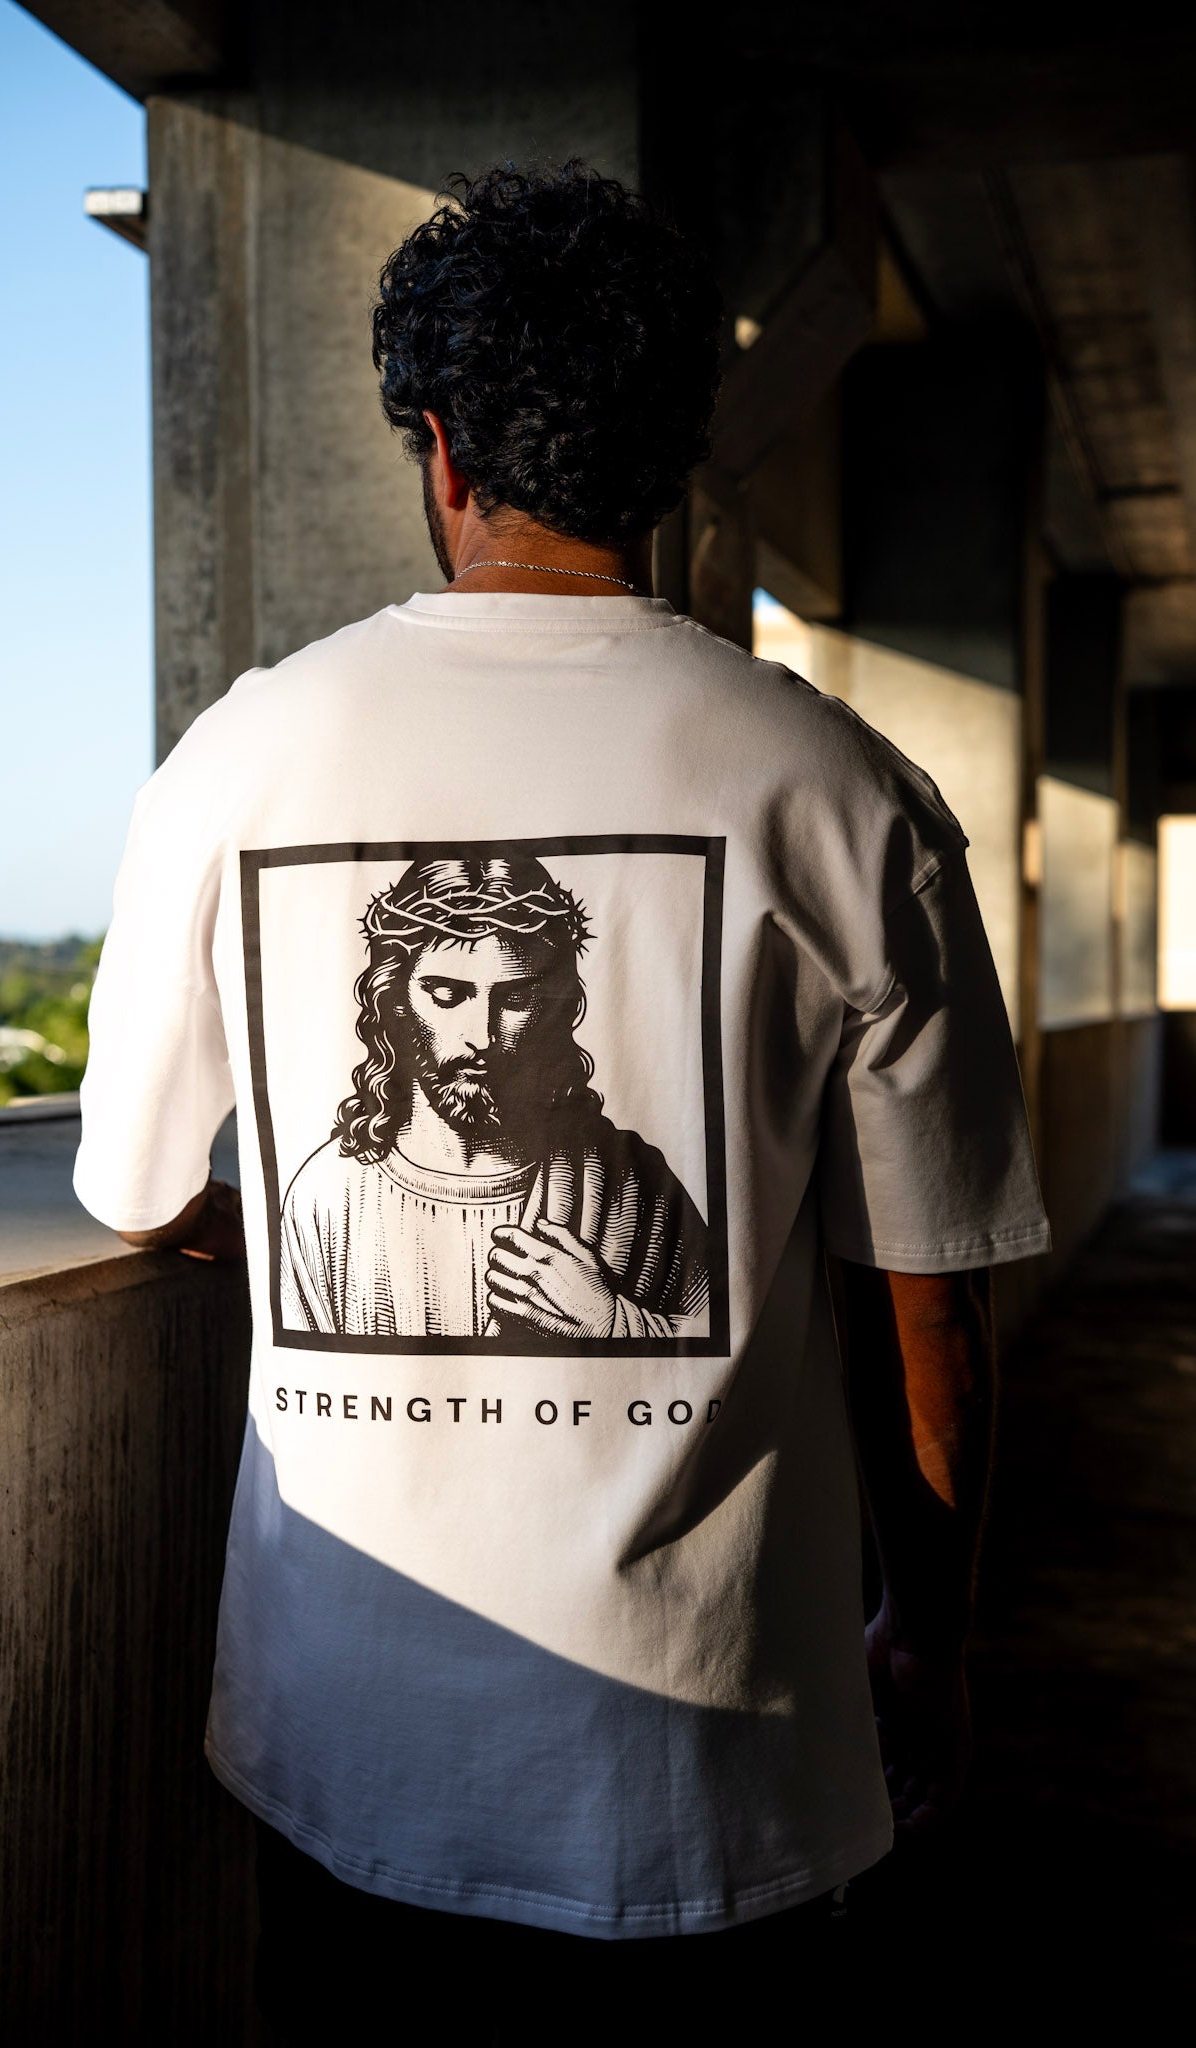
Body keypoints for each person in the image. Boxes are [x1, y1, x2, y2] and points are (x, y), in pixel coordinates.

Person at [74, 162, 1050, 2029]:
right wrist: (930, 1630)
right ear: (678, 455)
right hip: (723, 1773)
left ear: (440, 449)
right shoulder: (847, 791)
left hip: (351, 1759)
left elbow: (133, 1187)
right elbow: (930, 1295)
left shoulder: (242, 755)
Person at [279, 850, 710, 1341]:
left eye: (517, 998)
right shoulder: (326, 1199)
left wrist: (612, 1325)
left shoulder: (632, 1184)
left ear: (556, 1008)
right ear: (394, 1001)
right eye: (447, 995)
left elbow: (731, 1344)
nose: (481, 1036)